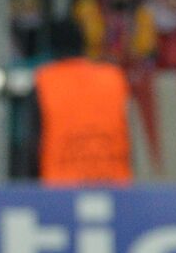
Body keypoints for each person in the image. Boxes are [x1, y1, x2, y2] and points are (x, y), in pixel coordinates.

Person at [33, 18, 132, 185]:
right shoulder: (114, 76)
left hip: (60, 188)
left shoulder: (44, 79)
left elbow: (34, 140)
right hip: (114, 185)